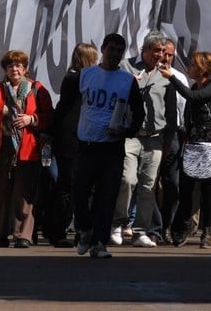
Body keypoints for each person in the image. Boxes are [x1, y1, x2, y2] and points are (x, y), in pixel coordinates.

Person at [71, 33, 144, 259]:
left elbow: (139, 113)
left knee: (107, 196)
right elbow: (67, 106)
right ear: (102, 49)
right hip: (87, 144)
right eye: (110, 49)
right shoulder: (85, 75)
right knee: (78, 192)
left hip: (112, 147)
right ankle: (85, 230)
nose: (114, 53)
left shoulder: (127, 80)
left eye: (118, 50)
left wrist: (126, 131)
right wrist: (49, 133)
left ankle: (100, 243)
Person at [0, 50, 52, 248]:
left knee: (24, 194)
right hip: (1, 149)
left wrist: (32, 119)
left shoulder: (36, 89)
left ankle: (23, 235)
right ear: (5, 69)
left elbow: (49, 117)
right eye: (10, 66)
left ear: (25, 69)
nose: (14, 69)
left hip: (29, 149)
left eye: (18, 65)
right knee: (1, 193)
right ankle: (1, 232)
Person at [112, 31, 177, 248]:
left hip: (155, 138)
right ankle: (118, 224)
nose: (160, 55)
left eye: (163, 51)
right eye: (156, 50)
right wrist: (130, 84)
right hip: (130, 136)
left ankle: (141, 231)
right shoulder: (126, 68)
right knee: (127, 180)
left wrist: (168, 140)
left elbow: (170, 111)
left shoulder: (166, 75)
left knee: (149, 186)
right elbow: (116, 97)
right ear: (145, 50)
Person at [160, 51, 211, 249]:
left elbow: (193, 97)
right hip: (193, 142)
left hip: (209, 144)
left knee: (208, 189)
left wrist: (172, 77)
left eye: (193, 64)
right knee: (186, 187)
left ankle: (207, 232)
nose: (189, 67)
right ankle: (182, 225)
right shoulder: (196, 85)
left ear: (202, 68)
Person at [47, 42, 98, 248]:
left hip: (81, 137)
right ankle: (58, 230)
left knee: (82, 186)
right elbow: (62, 108)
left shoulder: (82, 78)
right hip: (70, 138)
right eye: (93, 59)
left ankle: (79, 228)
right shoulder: (74, 77)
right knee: (68, 185)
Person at [155, 37, 187, 244]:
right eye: (163, 53)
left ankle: (167, 225)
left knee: (172, 185)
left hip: (173, 134)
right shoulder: (148, 75)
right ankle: (153, 227)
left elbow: (183, 108)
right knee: (147, 184)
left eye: (169, 54)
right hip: (152, 133)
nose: (165, 58)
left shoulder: (179, 77)